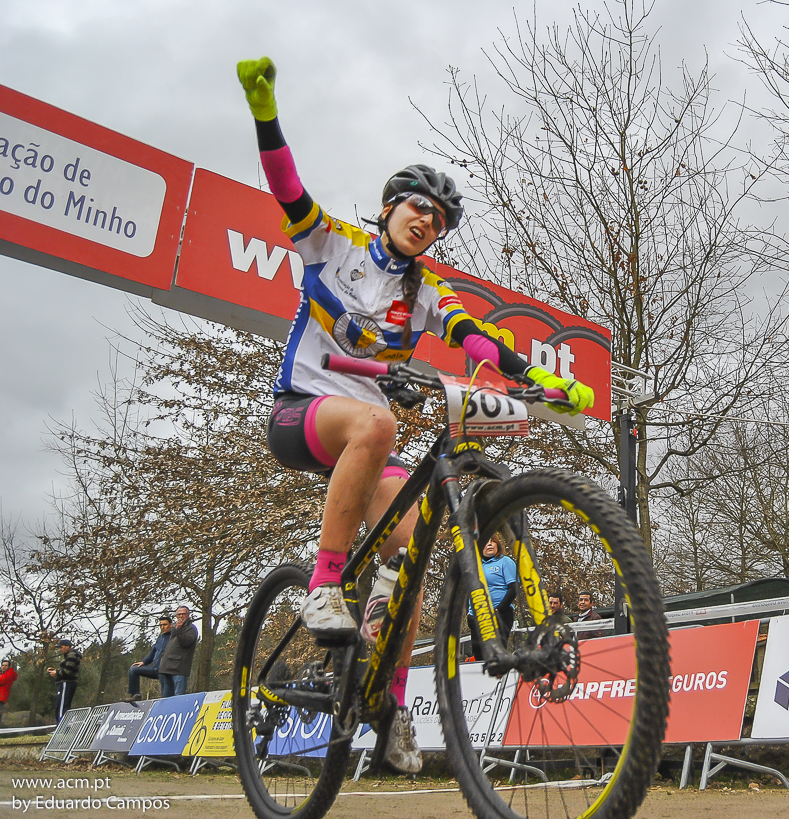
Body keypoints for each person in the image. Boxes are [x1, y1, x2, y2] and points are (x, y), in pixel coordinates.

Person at [236, 57, 593, 774]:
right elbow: (287, 187)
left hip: (369, 442)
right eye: (417, 206)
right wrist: (265, 113)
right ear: (390, 206)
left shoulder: (427, 289)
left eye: (438, 218)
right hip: (303, 413)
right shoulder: (333, 243)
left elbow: (474, 336)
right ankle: (322, 588)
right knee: (378, 425)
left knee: (414, 557)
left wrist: (538, 379)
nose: (427, 220)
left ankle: (388, 705)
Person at [466, 537, 518, 661]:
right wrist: (469, 612)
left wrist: (499, 609)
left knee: (496, 654)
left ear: (498, 544)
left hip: (499, 614)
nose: (489, 544)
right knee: (479, 655)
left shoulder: (505, 562)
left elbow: (514, 589)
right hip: (477, 616)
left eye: (492, 541)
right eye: (486, 541)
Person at [127, 614, 173, 701]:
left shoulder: (173, 638)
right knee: (133, 669)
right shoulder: (160, 638)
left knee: (166, 696)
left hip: (165, 670)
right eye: (161, 625)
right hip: (154, 669)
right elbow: (153, 652)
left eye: (165, 625)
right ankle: (135, 695)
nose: (162, 627)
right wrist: (144, 662)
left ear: (171, 625)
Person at [159, 606, 198, 696]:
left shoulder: (191, 628)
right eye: (179, 614)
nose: (181, 616)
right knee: (166, 697)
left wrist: (179, 630)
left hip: (179, 668)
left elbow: (187, 642)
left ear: (188, 615)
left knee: (178, 698)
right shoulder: (174, 628)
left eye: (183, 614)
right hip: (167, 667)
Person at [47, 639, 81, 723]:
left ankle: (61, 725)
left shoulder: (71, 656)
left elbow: (67, 671)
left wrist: (56, 673)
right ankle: (63, 725)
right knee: (62, 706)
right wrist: (56, 670)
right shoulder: (69, 656)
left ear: (67, 647)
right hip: (67, 683)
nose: (60, 649)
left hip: (67, 683)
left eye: (61, 647)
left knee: (62, 707)